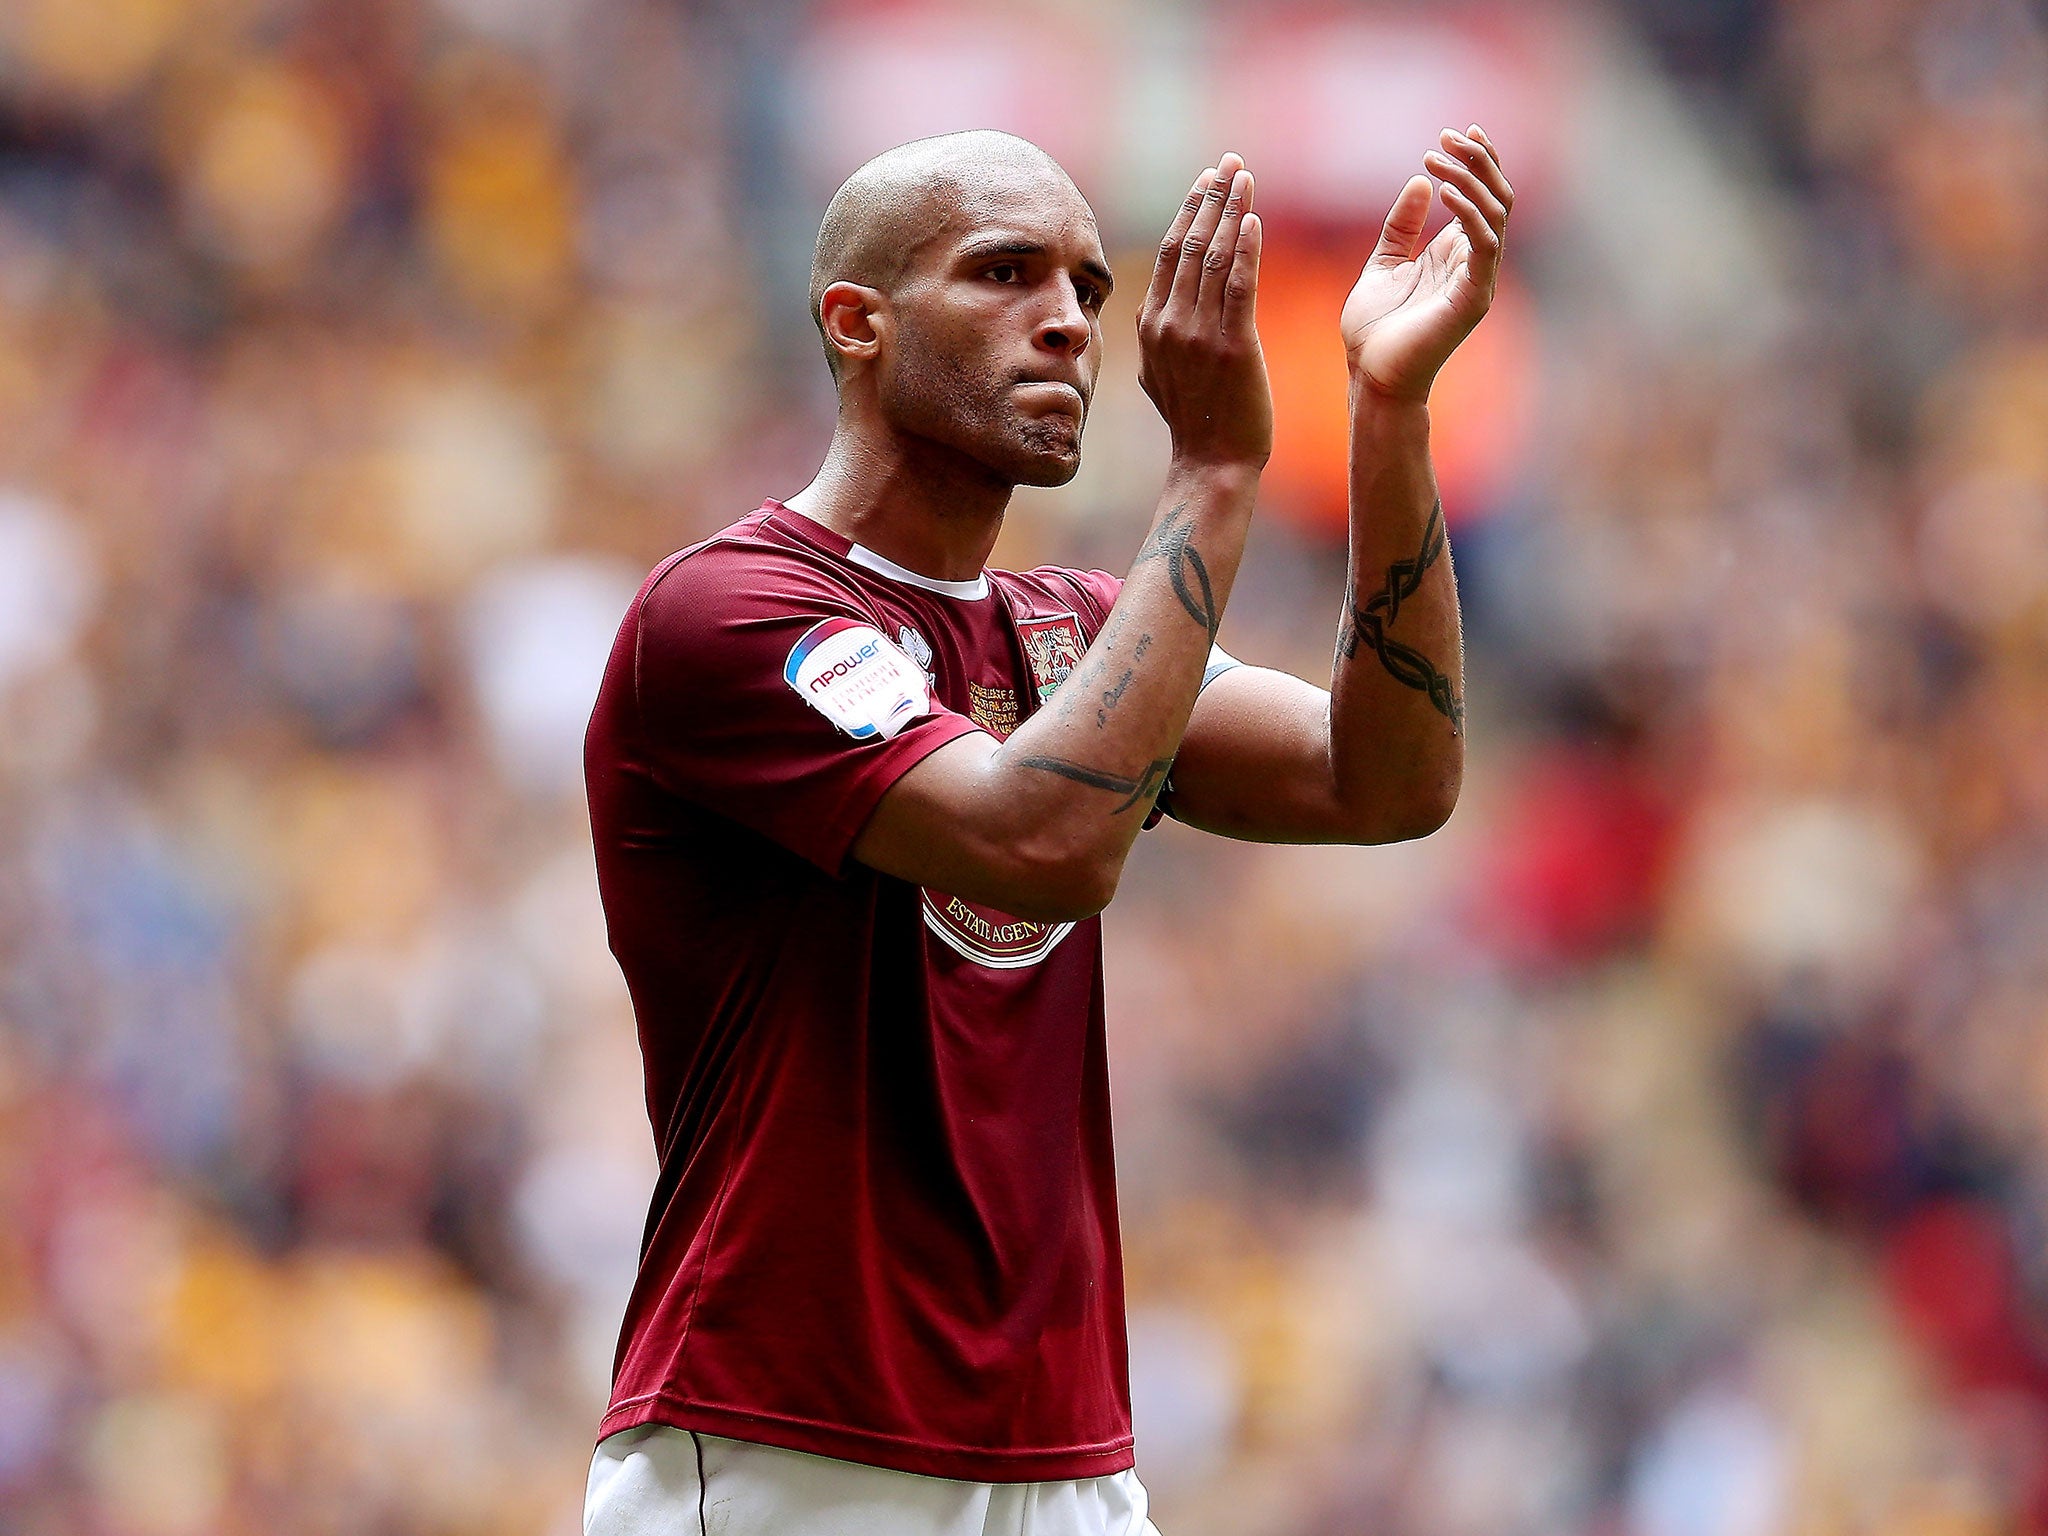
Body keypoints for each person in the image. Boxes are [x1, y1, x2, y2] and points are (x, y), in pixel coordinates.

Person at [581, 125, 1512, 1536]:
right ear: (858, 324)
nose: (1070, 317)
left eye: (1087, 281)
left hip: (1064, 1456)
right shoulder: (727, 615)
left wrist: (1385, 412)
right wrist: (1209, 478)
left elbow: (1384, 781)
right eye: (1004, 271)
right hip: (791, 1443)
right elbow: (1041, 844)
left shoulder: (1072, 630)